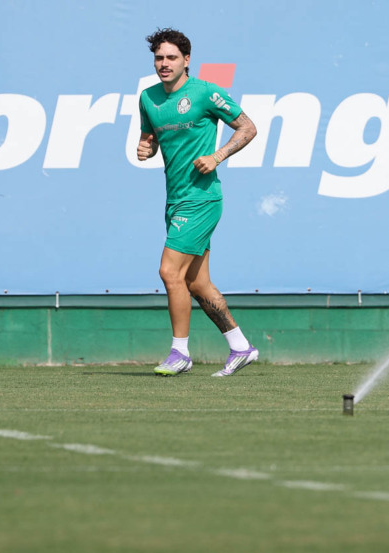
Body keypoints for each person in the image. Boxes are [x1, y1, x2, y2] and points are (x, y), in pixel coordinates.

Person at [137, 28, 259, 377]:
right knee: (197, 284)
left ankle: (180, 353)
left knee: (168, 271)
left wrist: (217, 156)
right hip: (175, 200)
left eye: (171, 57)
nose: (164, 63)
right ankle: (241, 346)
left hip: (202, 199)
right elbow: (150, 137)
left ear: (186, 60)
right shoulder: (148, 98)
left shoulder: (206, 92)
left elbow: (248, 127)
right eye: (159, 58)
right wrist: (146, 147)